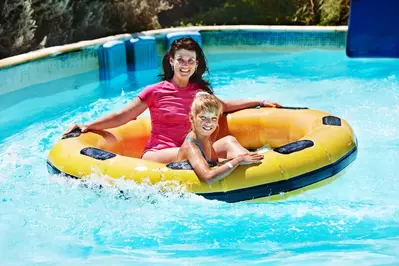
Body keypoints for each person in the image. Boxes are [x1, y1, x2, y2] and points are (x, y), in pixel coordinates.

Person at [63, 37, 279, 163]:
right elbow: (123, 116)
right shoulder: (155, 91)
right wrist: (87, 126)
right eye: (181, 60)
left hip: (194, 150)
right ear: (172, 61)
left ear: (196, 64)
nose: (186, 64)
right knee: (192, 150)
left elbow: (224, 107)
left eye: (191, 61)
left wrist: (258, 101)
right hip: (159, 154)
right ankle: (226, 167)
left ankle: (258, 177)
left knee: (230, 142)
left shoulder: (199, 91)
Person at [177, 92, 264, 184]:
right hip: (195, 189)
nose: (209, 123)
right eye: (203, 117)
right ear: (191, 118)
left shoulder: (209, 132)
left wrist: (239, 158)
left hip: (211, 165)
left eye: (213, 118)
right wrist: (238, 160)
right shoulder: (191, 148)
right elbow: (208, 178)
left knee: (231, 142)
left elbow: (215, 164)